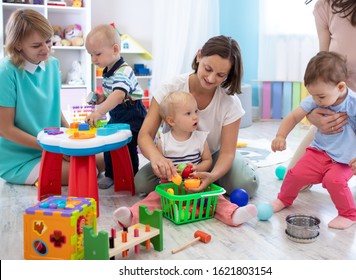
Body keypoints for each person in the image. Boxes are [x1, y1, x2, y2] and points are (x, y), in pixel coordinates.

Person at [295, 0, 356, 220]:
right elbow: (323, 73)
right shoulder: (325, 7)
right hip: (342, 113)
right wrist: (314, 115)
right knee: (296, 181)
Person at [134, 35, 259, 199]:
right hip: (174, 161)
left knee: (245, 184)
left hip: (211, 157)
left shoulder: (230, 103)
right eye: (208, 69)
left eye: (221, 75)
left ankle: (229, 173)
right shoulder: (170, 88)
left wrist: (212, 176)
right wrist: (157, 158)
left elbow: (227, 153)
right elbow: (145, 135)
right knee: (142, 183)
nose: (211, 78)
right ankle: (214, 179)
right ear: (199, 56)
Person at [114, 90, 258, 227]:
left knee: (216, 199)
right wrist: (163, 171)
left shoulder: (200, 138)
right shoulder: (163, 141)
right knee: (152, 199)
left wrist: (198, 168)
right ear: (171, 121)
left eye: (195, 111)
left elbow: (207, 161)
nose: (195, 116)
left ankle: (233, 214)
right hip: (170, 188)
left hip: (196, 185)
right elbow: (157, 166)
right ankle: (131, 216)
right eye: (188, 113)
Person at [271, 51, 356, 229]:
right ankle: (283, 199)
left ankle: (348, 215)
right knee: (295, 173)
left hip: (346, 159)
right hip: (320, 151)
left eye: (320, 96)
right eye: (312, 94)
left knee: (333, 181)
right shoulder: (317, 98)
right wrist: (281, 136)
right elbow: (293, 117)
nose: (316, 100)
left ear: (341, 87)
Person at [0, 9, 104, 185]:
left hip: (52, 146)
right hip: (21, 159)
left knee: (103, 159)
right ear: (18, 45)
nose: (46, 49)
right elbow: (5, 129)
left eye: (48, 41)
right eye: (36, 45)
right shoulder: (6, 72)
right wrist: (52, 148)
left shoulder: (53, 65)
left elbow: (54, 108)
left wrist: (71, 137)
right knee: (88, 171)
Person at [84, 24, 147, 189]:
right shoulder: (108, 71)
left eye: (97, 54)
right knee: (109, 142)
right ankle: (111, 174)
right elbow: (112, 94)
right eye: (90, 55)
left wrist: (99, 112)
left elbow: (119, 95)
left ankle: (130, 175)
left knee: (127, 145)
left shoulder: (123, 71)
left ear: (115, 49)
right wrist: (101, 98)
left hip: (132, 113)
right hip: (118, 113)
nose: (93, 59)